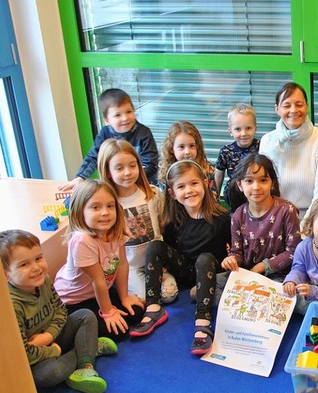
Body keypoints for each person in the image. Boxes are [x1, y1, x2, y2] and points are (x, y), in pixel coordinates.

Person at [0, 229, 118, 393]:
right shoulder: (11, 306)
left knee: (86, 315)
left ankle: (85, 366)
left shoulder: (44, 280)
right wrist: (53, 351)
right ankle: (87, 348)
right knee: (50, 374)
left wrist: (49, 336)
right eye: (24, 264)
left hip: (52, 337)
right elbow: (24, 354)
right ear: (5, 275)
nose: (36, 268)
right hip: (37, 358)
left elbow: (61, 311)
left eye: (38, 258)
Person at [132, 160, 230, 356]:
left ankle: (203, 320)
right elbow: (169, 247)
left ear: (204, 183)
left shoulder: (222, 217)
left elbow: (232, 250)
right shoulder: (173, 219)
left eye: (194, 183)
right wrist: (167, 267)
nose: (189, 190)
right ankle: (153, 306)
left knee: (205, 258)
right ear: (172, 193)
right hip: (187, 271)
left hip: (211, 271)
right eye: (181, 186)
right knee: (155, 245)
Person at [54, 180, 145, 341]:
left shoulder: (116, 229)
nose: (105, 212)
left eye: (110, 206)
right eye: (95, 207)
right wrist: (108, 312)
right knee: (118, 331)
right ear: (80, 211)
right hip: (74, 300)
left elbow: (122, 264)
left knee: (136, 312)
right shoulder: (83, 240)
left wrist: (124, 297)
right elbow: (97, 280)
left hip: (99, 290)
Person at [97, 138, 178, 303]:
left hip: (155, 262)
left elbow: (163, 225)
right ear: (107, 172)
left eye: (132, 166)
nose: (128, 172)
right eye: (119, 168)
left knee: (169, 295)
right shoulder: (109, 204)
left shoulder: (152, 194)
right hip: (129, 267)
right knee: (146, 299)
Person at [215, 153, 301, 305]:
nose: (256, 187)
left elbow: (293, 251)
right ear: (240, 185)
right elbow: (237, 252)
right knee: (201, 291)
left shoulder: (287, 210)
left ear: (272, 183)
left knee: (292, 301)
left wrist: (261, 268)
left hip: (279, 276)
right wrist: (231, 260)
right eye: (249, 181)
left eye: (263, 180)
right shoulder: (237, 216)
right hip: (247, 273)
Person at [259, 82, 318, 222]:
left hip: (317, 217)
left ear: (307, 106)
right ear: (277, 109)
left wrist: (303, 230)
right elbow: (263, 189)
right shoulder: (267, 141)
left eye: (299, 104)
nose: (293, 110)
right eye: (287, 105)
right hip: (276, 218)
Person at [59, 88, 159, 191]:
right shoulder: (104, 134)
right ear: (107, 120)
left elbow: (150, 163)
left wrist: (133, 179)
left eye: (129, 111)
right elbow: (93, 157)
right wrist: (81, 177)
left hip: (143, 185)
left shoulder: (144, 133)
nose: (125, 118)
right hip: (114, 186)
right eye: (117, 115)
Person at [215, 103, 261, 211]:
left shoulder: (262, 146)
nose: (244, 133)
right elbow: (219, 173)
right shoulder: (226, 151)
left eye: (248, 128)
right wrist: (216, 195)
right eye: (238, 129)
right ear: (230, 131)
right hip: (235, 194)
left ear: (255, 128)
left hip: (256, 189)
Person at [158, 121, 218, 200]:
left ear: (197, 146)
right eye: (181, 147)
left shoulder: (208, 169)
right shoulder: (166, 174)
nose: (187, 152)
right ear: (171, 148)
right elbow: (166, 203)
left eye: (192, 146)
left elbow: (213, 199)